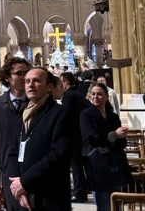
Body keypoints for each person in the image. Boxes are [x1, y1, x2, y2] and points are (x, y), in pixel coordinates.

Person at [8, 67, 72, 211]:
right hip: (24, 195)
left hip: (50, 196)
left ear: (50, 87)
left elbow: (59, 155)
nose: (30, 85)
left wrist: (25, 182)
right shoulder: (24, 114)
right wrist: (18, 184)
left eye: (37, 81)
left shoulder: (60, 113)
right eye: (27, 81)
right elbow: (13, 149)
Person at [0, 56, 31, 211]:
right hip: (9, 171)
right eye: (19, 73)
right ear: (7, 77)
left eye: (26, 73)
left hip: (32, 173)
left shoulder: (36, 103)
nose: (24, 77)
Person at [80, 83, 130, 211]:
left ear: (107, 97)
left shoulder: (113, 116)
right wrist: (114, 135)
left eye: (99, 94)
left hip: (114, 162)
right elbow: (92, 138)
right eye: (93, 94)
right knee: (104, 203)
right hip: (97, 163)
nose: (95, 97)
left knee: (116, 202)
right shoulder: (86, 114)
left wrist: (118, 136)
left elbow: (122, 142)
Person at [61, 72, 91, 204]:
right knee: (83, 164)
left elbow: (66, 116)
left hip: (74, 135)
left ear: (66, 82)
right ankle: (87, 188)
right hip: (81, 134)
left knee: (76, 165)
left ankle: (79, 193)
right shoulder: (78, 94)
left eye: (61, 82)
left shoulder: (69, 96)